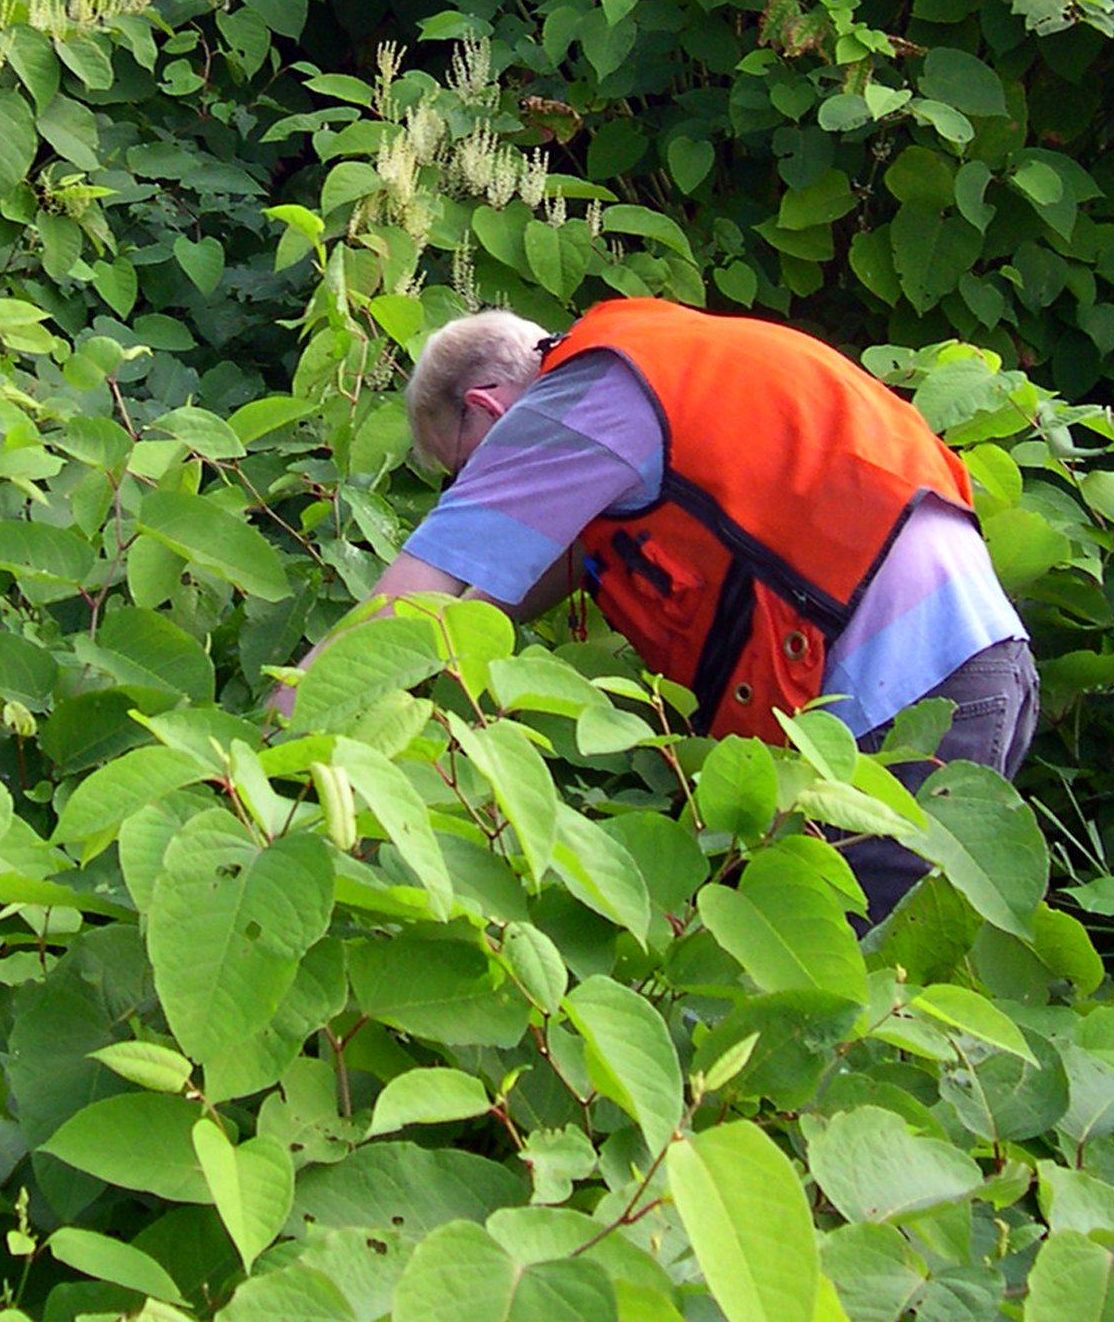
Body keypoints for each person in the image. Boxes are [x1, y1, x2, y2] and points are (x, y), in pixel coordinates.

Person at [277, 293, 1035, 927]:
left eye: (465, 472)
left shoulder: (576, 403)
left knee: (831, 1023)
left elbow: (412, 597)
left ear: (487, 408)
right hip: (979, 662)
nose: (476, 493)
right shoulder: (656, 358)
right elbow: (508, 587)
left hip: (896, 700)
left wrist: (282, 729)